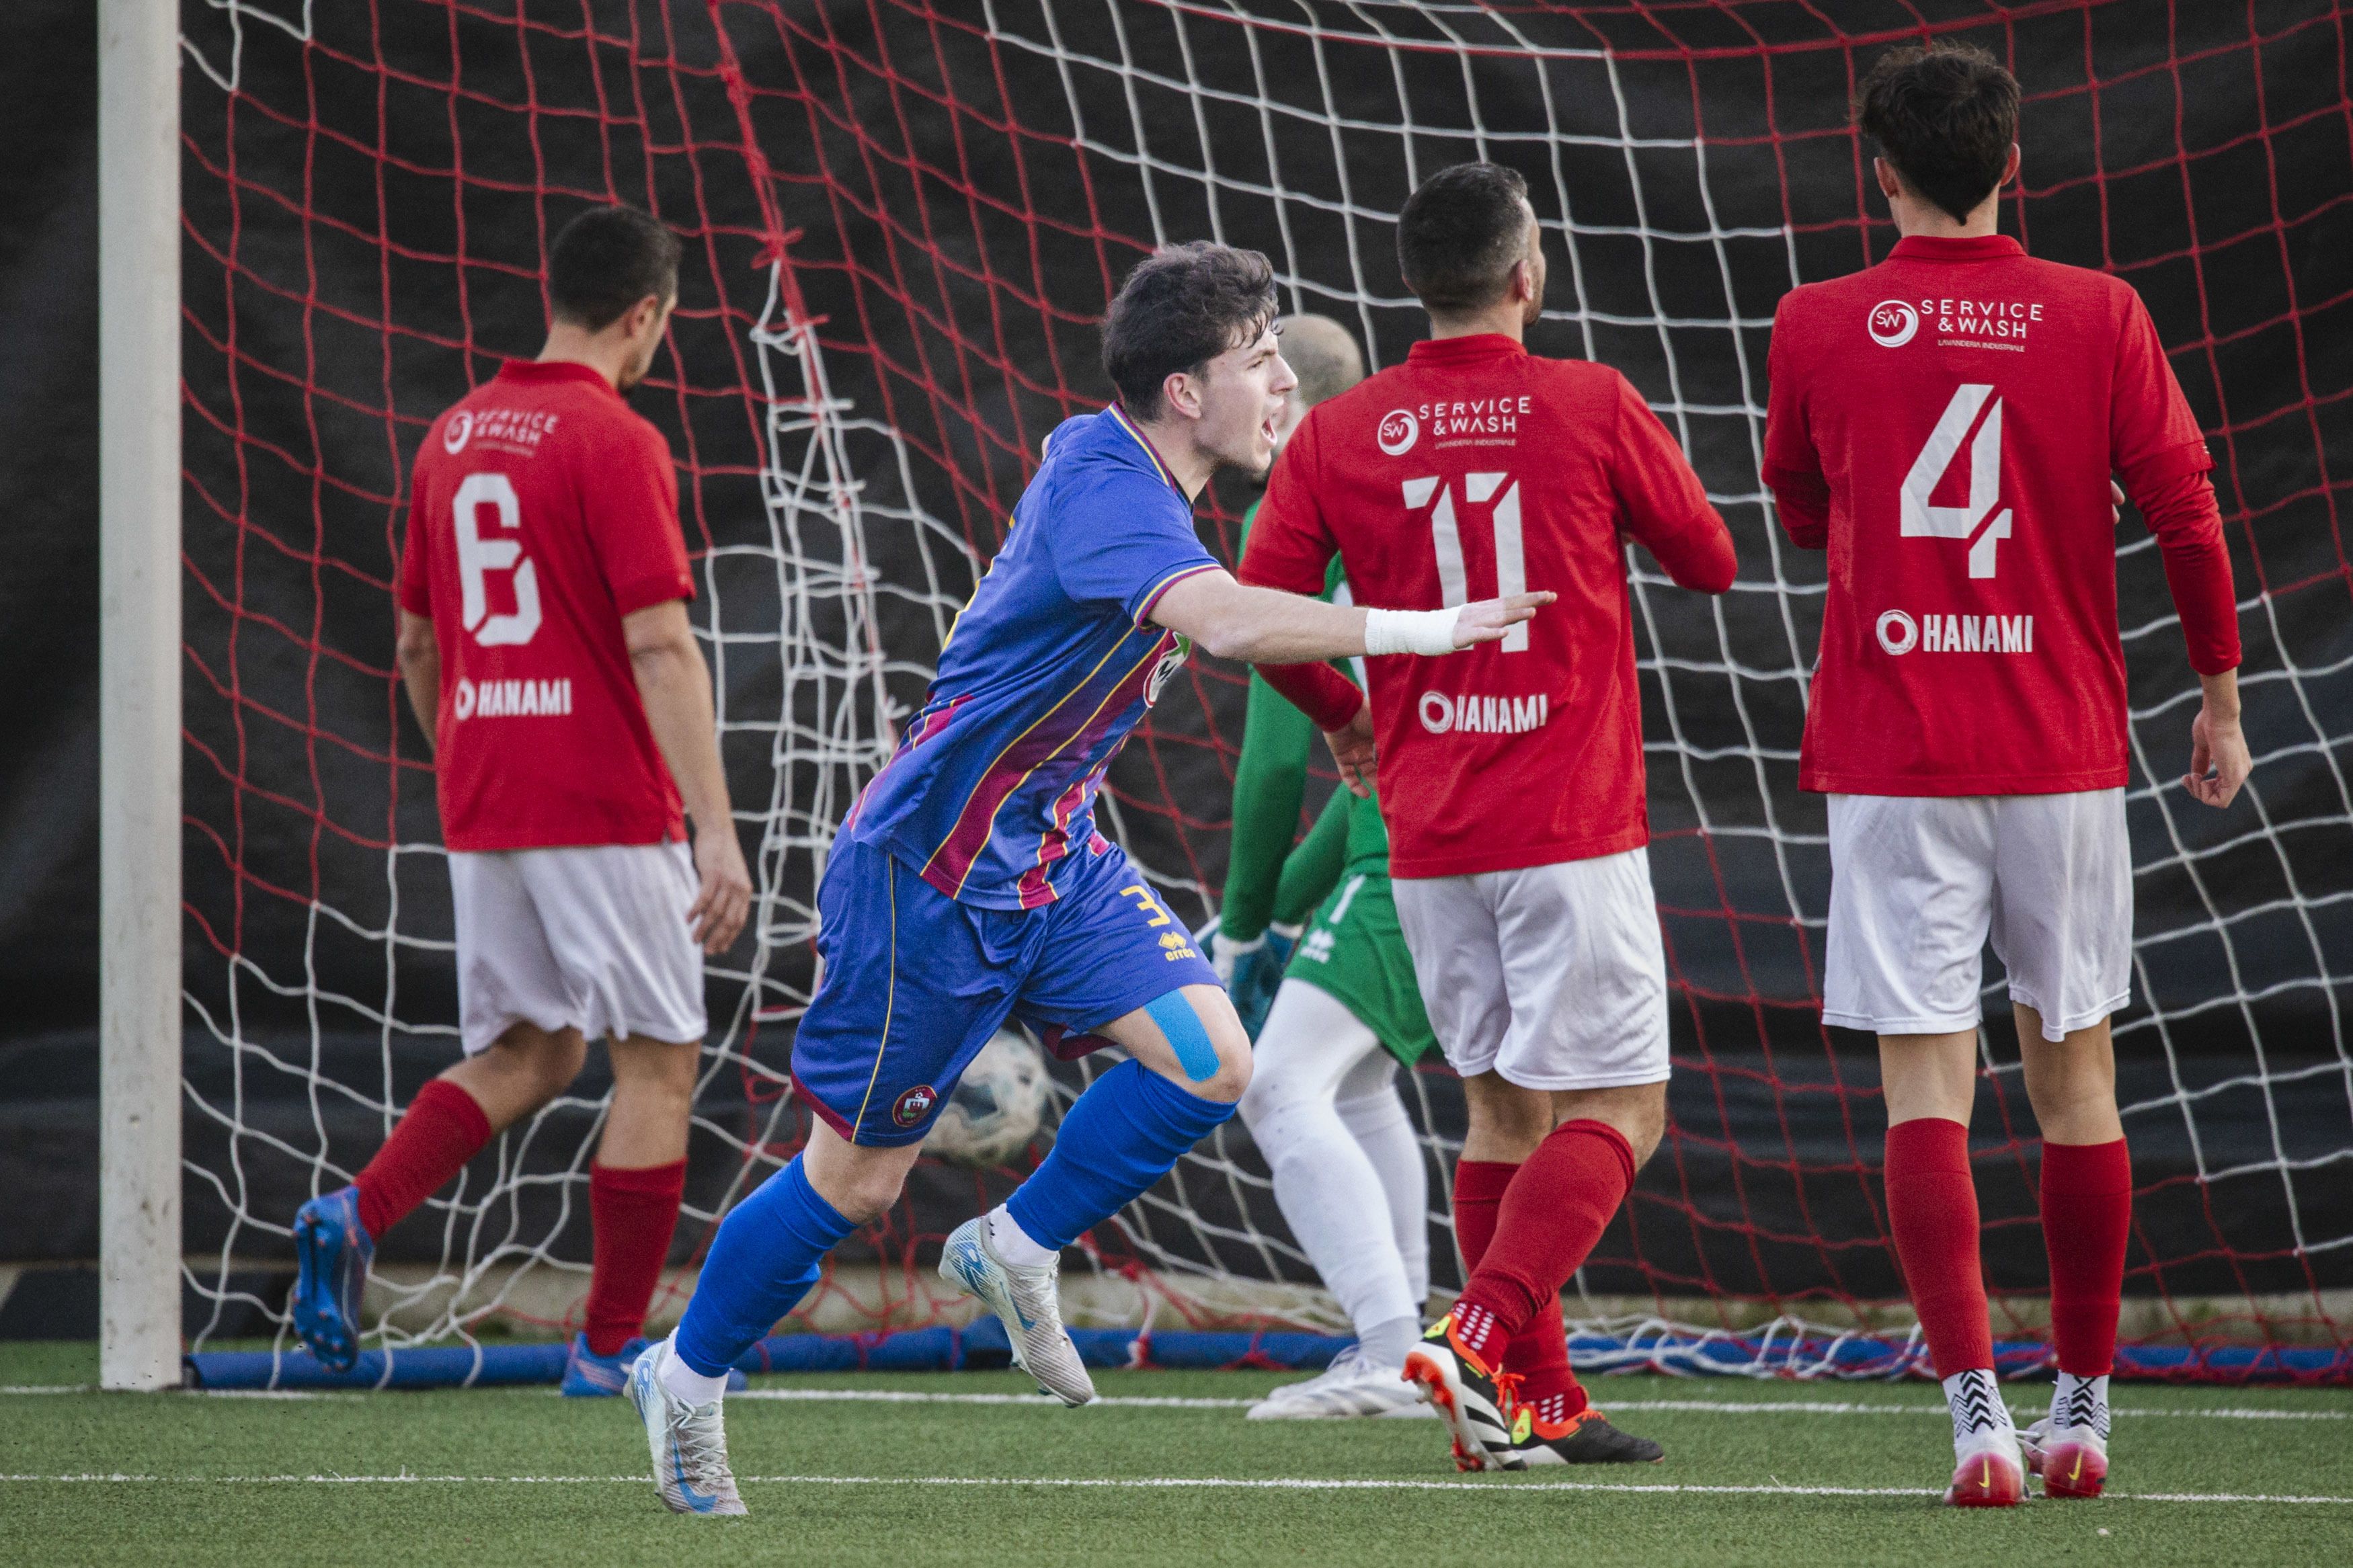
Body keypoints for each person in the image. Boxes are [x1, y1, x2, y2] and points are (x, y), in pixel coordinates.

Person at [623, 241, 1553, 1516]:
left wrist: (1341, 711)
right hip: (931, 872)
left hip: (1054, 854)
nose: (1285, 380)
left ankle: (1014, 1242)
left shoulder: (1151, 481)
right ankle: (683, 1376)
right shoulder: (1108, 486)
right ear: (1185, 391)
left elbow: (1243, 607)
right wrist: (1427, 634)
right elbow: (1228, 621)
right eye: (1260, 359)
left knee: (1215, 1060)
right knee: (859, 1179)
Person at [1761, 43, 2246, 1507]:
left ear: (1880, 172)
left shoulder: (1814, 319)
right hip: (2057, 752)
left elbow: (1799, 507)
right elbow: (2186, 510)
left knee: (1927, 1090)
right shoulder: (2101, 312)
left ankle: (1977, 1423)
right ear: (2014, 166)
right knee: (2075, 1084)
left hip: (1896, 755)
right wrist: (2220, 698)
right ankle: (2080, 1413)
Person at [1244, 163, 1737, 1471]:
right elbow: (1711, 559)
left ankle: (1535, 1408)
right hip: (1567, 822)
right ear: (1528, 273)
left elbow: (1258, 606)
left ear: (1418, 281)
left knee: (1503, 1117)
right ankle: (1473, 1338)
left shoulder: (1342, 433)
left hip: (1431, 835)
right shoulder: (1591, 400)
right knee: (1624, 1107)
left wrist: (1341, 710)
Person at [289, 205, 754, 1398]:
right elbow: (660, 643)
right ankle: (610, 1348)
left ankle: (356, 1208)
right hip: (600, 798)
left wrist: (467, 756)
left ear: (554, 295)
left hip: (485, 791)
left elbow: (413, 641)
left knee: (536, 1048)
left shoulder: (451, 434)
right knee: (658, 1064)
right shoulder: (616, 437)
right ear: (644, 315)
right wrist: (715, 829)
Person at [1213, 315, 1441, 1420]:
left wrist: (1240, 931)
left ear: (1288, 399)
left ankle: (1393, 1350)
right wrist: (1271, 916)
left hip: (1416, 844)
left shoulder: (1298, 505)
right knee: (1355, 1082)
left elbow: (1272, 770)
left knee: (1274, 1082)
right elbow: (1353, 800)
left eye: (1252, 376)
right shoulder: (1413, 489)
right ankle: (1416, 1339)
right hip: (1480, 823)